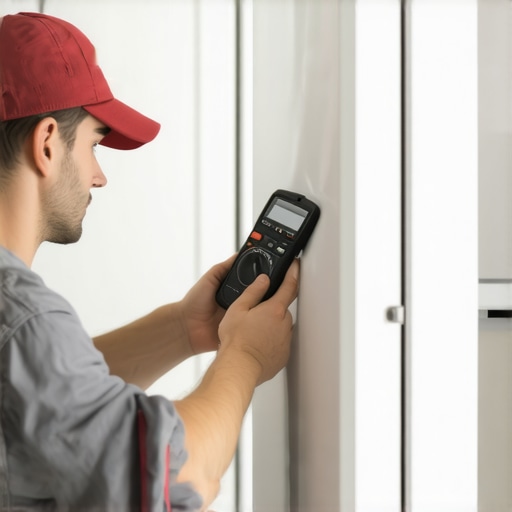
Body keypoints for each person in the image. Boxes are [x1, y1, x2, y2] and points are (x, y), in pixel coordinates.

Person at [0, 12, 299, 512]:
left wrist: (184, 329)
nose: (99, 177)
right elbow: (170, 480)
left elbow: (41, 401)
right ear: (47, 142)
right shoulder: (23, 315)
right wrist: (244, 359)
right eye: (95, 144)